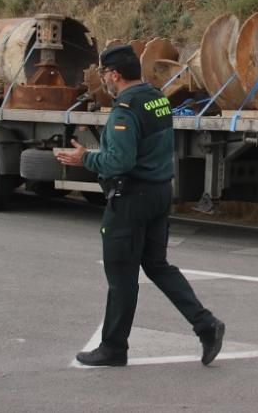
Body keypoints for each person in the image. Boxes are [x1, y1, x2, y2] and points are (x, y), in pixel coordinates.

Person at [56, 44, 225, 367]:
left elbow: (120, 161)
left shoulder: (125, 109)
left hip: (132, 198)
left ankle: (113, 347)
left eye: (104, 72)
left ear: (115, 75)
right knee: (158, 265)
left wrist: (84, 157)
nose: (103, 78)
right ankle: (206, 325)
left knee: (121, 275)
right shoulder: (157, 98)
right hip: (160, 192)